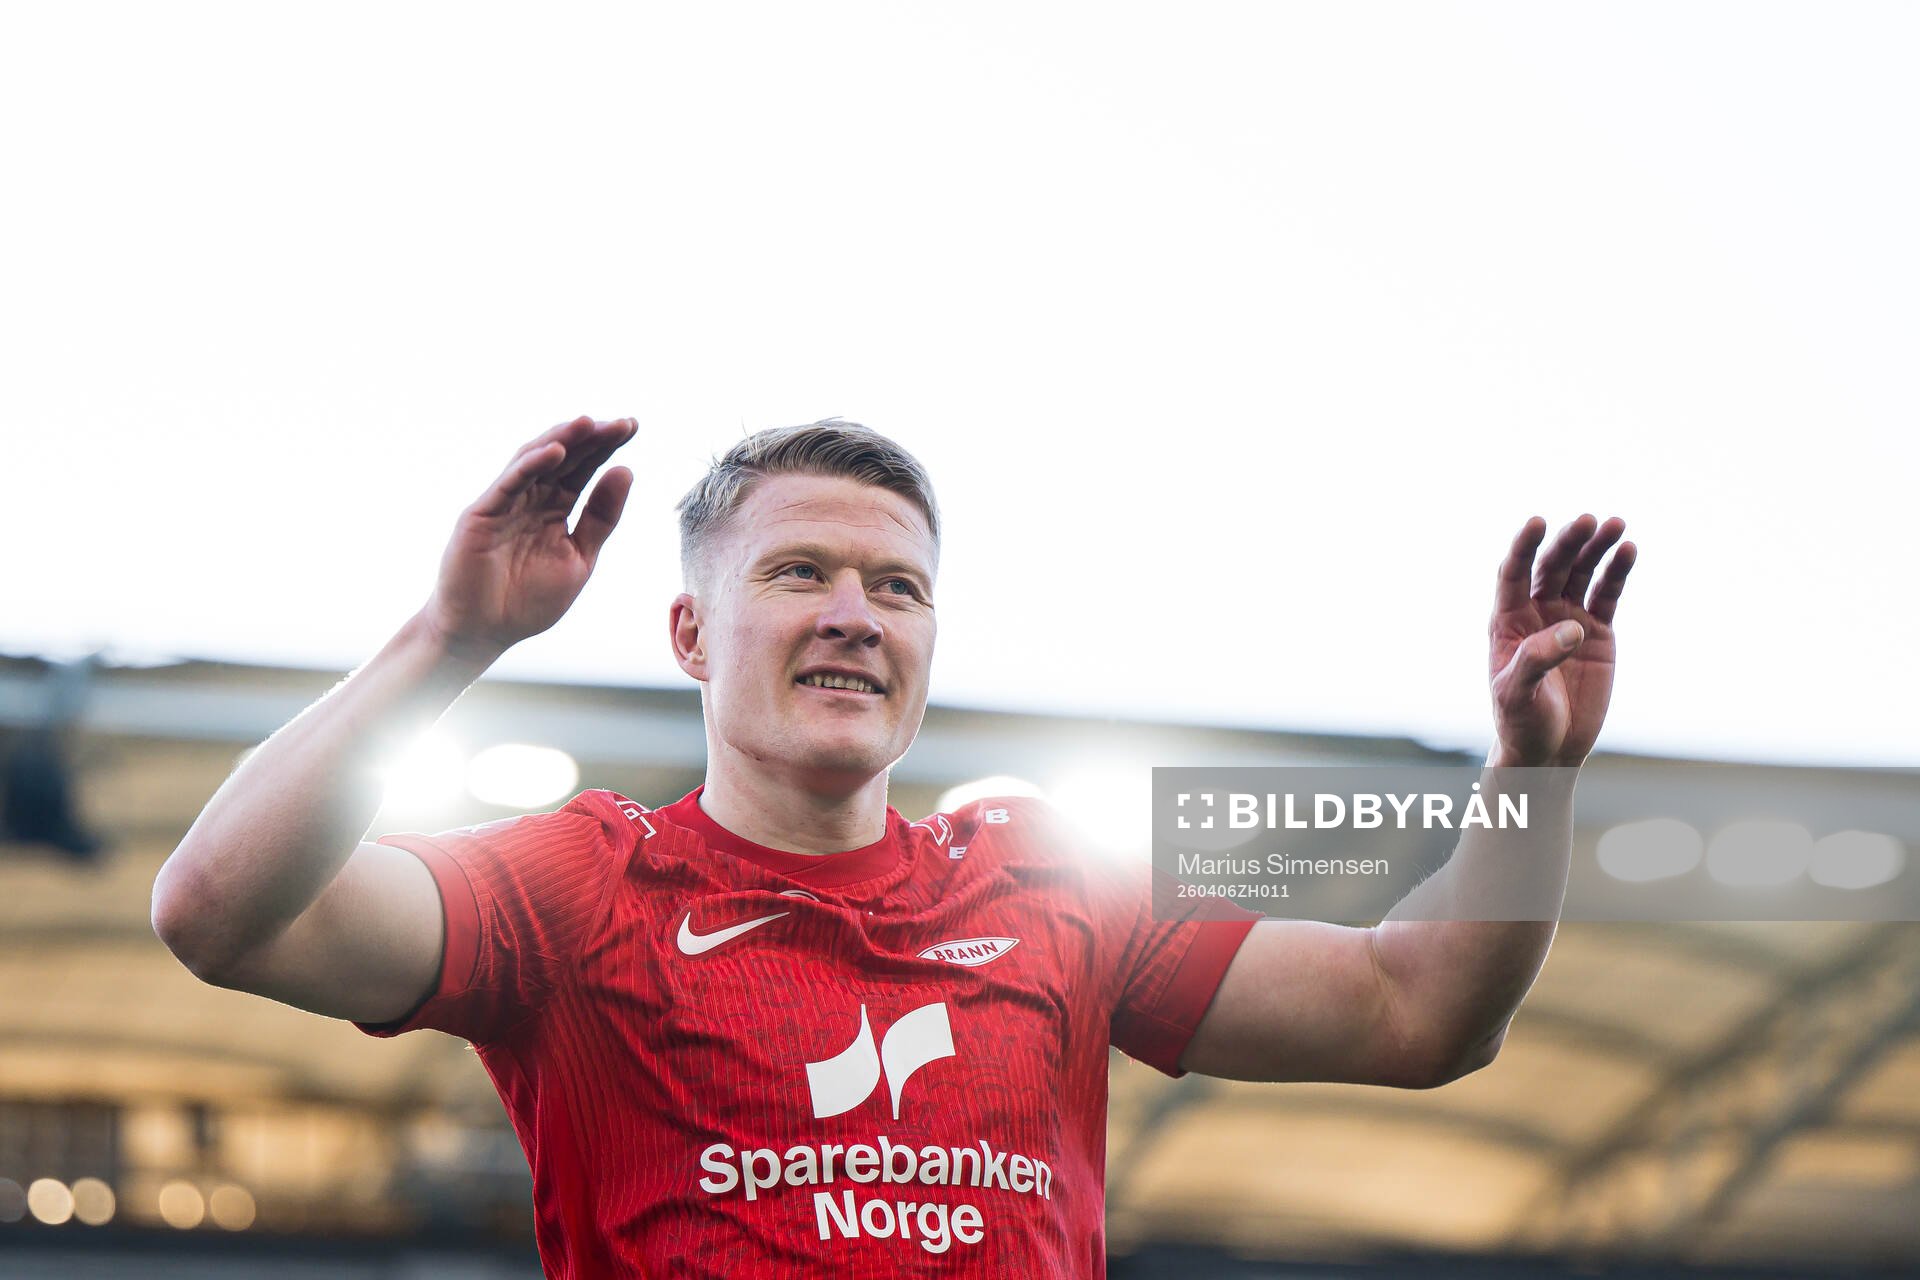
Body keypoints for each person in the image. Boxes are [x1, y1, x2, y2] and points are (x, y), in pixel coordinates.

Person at [151, 414, 1635, 1277]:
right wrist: (452, 636)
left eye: (898, 588)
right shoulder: (581, 882)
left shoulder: (1049, 878)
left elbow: (1420, 1012)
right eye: (798, 572)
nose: (855, 614)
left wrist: (1532, 773)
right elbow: (218, 914)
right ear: (690, 635)